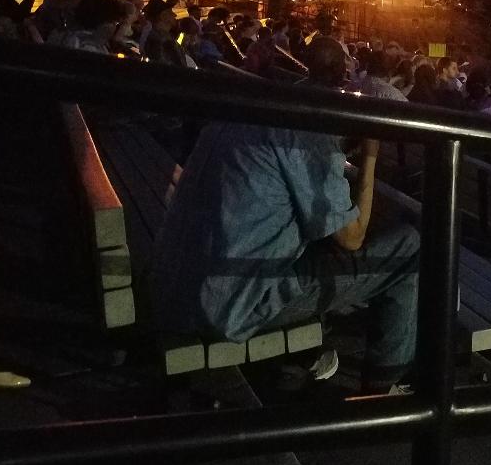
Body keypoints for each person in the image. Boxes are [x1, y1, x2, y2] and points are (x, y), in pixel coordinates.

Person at [149, 123, 420, 393]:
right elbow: (353, 237)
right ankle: (383, 389)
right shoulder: (304, 135)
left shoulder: (239, 116)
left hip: (174, 289)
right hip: (226, 306)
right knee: (409, 247)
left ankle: (304, 356)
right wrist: (371, 155)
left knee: (314, 241)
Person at [60, 0, 132, 55]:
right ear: (104, 23)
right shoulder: (86, 46)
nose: (115, 28)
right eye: (115, 23)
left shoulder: (97, 43)